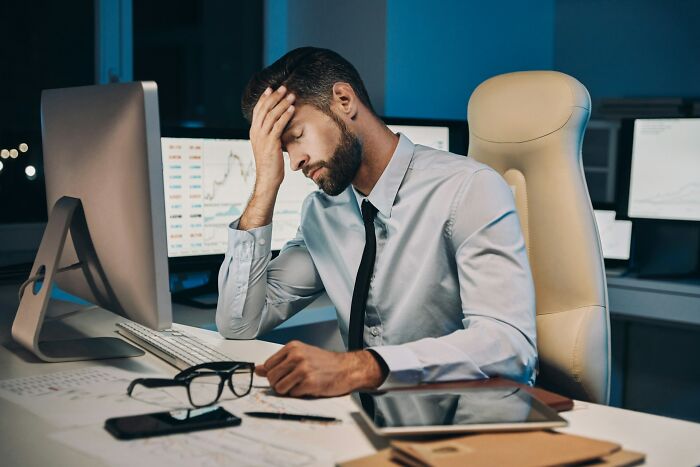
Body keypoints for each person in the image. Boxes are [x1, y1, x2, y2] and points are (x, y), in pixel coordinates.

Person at [216, 47, 537, 398]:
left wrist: (361, 366)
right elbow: (239, 323)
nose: (294, 162)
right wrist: (265, 187)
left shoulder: (468, 188)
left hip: (462, 417)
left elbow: (510, 345)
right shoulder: (322, 215)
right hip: (366, 418)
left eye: (295, 136)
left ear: (343, 100)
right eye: (281, 151)